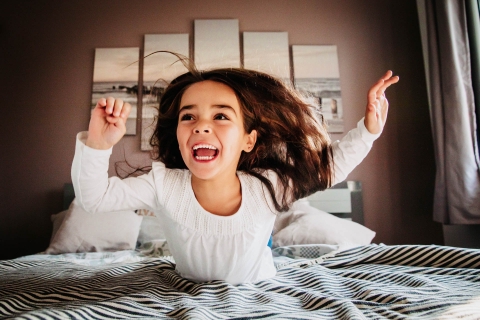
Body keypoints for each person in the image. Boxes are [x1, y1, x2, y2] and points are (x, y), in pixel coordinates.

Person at [72, 66, 399, 285]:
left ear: (248, 140)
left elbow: (331, 167)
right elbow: (93, 197)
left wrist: (368, 130)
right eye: (189, 116)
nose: (201, 125)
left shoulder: (269, 186)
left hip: (260, 291)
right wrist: (99, 144)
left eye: (220, 116)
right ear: (178, 134)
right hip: (188, 293)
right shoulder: (163, 185)